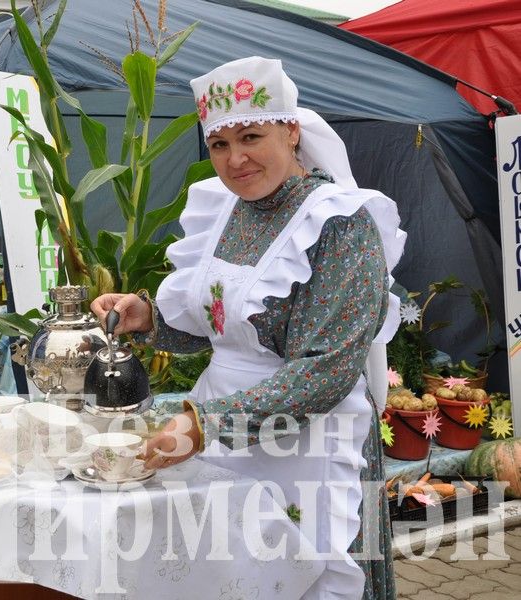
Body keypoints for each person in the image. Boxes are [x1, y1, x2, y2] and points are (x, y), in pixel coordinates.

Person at [91, 57, 405, 599]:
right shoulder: (224, 210)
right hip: (222, 433)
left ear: (291, 130)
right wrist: (151, 318)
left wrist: (202, 425)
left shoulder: (341, 223)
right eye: (219, 145)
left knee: (308, 574)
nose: (235, 159)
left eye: (252, 136)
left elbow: (324, 372)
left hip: (308, 440)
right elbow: (230, 329)